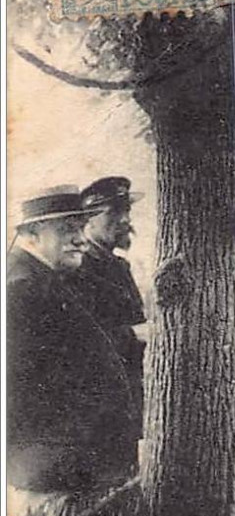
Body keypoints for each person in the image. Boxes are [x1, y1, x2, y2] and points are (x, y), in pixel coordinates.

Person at [8, 186, 139, 495]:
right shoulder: (21, 287)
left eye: (81, 227)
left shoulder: (43, 278)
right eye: (68, 230)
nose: (81, 238)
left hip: (65, 464)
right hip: (48, 472)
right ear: (33, 234)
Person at [65, 176, 147, 428]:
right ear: (88, 220)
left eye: (127, 211)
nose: (125, 220)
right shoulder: (77, 270)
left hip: (127, 399)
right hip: (94, 407)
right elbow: (78, 343)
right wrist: (135, 334)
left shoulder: (119, 267)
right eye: (114, 212)